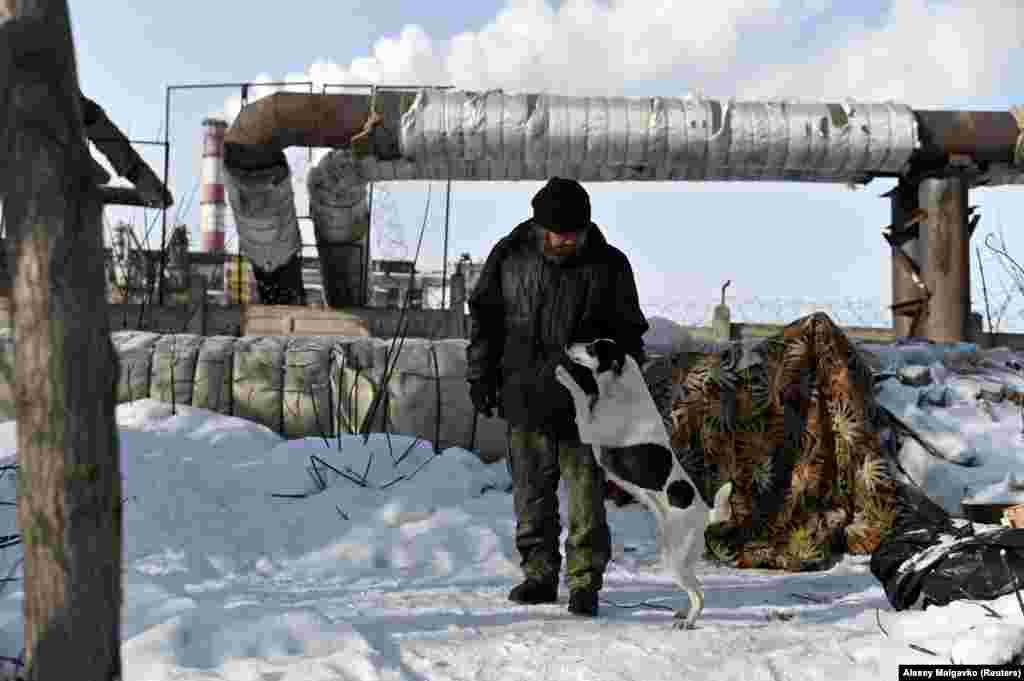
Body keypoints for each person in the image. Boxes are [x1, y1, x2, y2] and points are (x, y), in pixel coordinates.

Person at [465, 177, 649, 617]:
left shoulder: (610, 266)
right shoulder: (509, 257)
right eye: (558, 233)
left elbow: (628, 335)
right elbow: (486, 323)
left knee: (587, 499)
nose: (566, 241)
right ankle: (539, 575)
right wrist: (479, 376)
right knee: (532, 496)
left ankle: (585, 582)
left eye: (575, 234)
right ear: (539, 225)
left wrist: (621, 389)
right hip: (524, 395)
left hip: (586, 404)